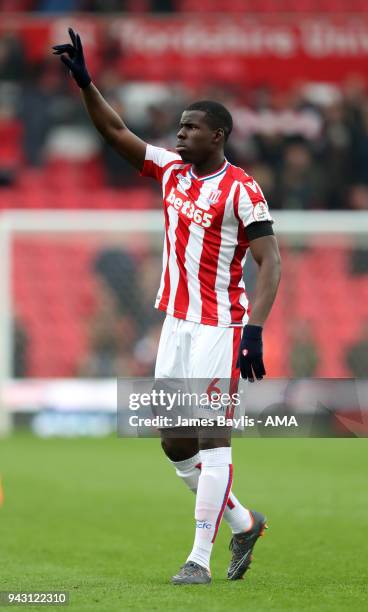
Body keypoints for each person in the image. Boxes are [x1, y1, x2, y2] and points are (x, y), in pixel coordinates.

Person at [53, 29, 281, 585]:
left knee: (211, 433)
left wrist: (253, 330)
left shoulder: (242, 190)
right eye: (179, 126)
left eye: (191, 127)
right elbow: (113, 130)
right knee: (174, 442)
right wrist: (86, 82)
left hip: (220, 324)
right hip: (176, 323)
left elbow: (270, 262)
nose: (180, 133)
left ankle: (199, 558)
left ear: (218, 136)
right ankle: (243, 521)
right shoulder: (171, 171)